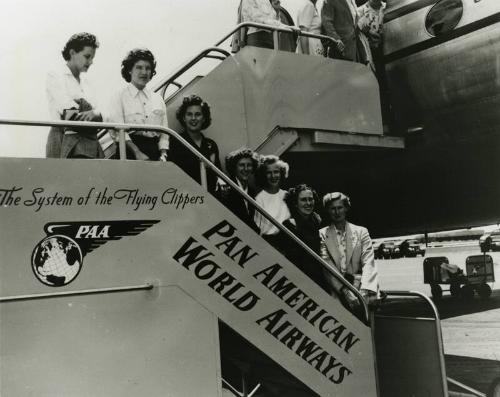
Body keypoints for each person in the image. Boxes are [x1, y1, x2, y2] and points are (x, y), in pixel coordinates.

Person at [46, 32, 103, 158]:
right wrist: (94, 115)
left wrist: (95, 114)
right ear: (72, 53)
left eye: (92, 58)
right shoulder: (55, 75)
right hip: (62, 138)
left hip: (88, 144)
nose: (91, 62)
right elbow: (70, 115)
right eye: (87, 56)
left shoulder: (87, 83)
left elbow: (98, 113)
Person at [108, 48, 169, 161]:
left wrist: (163, 154)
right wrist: (137, 152)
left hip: (154, 153)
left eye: (148, 68)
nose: (144, 72)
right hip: (128, 152)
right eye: (139, 67)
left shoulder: (158, 99)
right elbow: (118, 131)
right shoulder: (119, 97)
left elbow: (165, 133)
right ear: (130, 70)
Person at [319, 192, 379, 308]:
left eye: (340, 207)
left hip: (361, 289)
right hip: (337, 291)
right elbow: (327, 265)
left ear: (346, 208)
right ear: (328, 211)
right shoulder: (322, 234)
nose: (337, 212)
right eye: (333, 209)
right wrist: (346, 292)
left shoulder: (362, 232)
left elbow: (368, 262)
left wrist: (364, 291)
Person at [278, 184, 330, 292]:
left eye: (310, 199)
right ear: (296, 204)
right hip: (300, 279)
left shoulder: (317, 221)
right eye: (303, 200)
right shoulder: (289, 224)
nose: (308, 203)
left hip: (320, 276)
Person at [168, 95, 221, 192]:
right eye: (189, 114)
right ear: (183, 118)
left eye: (197, 114)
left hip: (211, 200)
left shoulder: (211, 145)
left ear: (204, 118)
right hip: (185, 198)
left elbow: (218, 176)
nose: (193, 118)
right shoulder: (175, 141)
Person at [253, 155, 291, 245]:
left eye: (276, 172)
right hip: (269, 244)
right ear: (263, 175)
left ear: (281, 173)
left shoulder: (287, 195)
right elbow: (259, 229)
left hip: (289, 244)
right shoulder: (259, 198)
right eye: (268, 173)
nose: (273, 176)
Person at [224, 148, 260, 232]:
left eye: (249, 165)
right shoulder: (227, 188)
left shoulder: (251, 191)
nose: (246, 169)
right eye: (241, 165)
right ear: (234, 167)